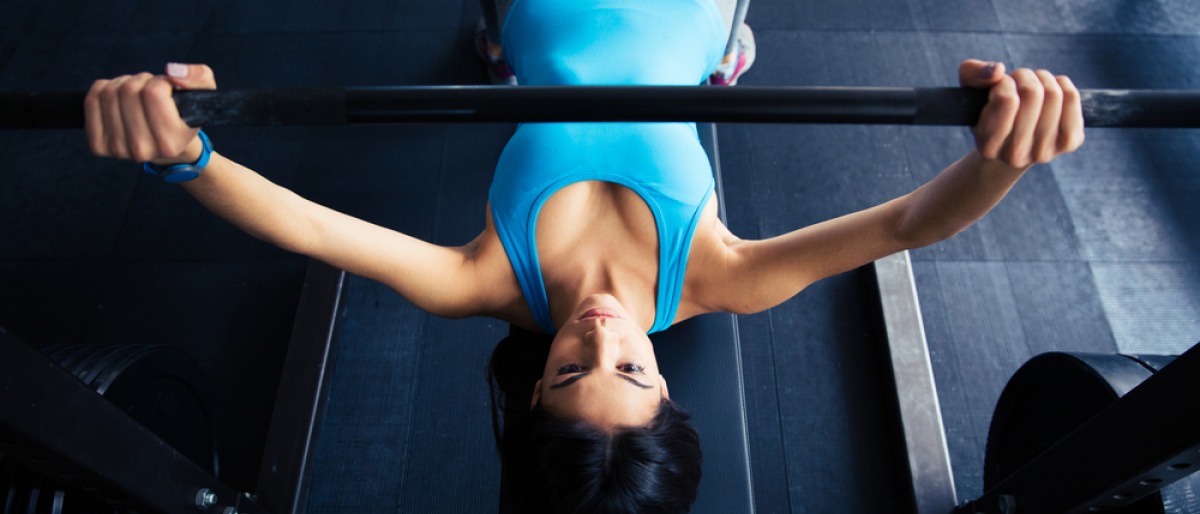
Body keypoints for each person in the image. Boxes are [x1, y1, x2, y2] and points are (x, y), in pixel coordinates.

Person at [83, 0, 1084, 511]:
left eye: (569, 369)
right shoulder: (719, 275)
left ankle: (495, 49)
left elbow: (307, 227)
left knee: (510, 37)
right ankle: (727, 61)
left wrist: (185, 156)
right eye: (636, 367)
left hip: (539, 12)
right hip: (689, 14)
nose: (604, 334)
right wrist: (1007, 152)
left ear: (531, 393)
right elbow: (910, 224)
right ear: (667, 386)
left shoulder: (482, 279)